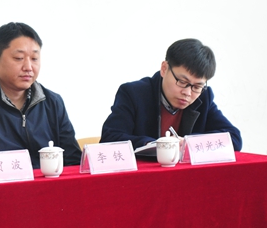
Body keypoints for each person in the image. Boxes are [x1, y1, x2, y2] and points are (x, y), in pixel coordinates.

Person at [0, 22, 82, 168]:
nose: (28, 67)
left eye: (34, 58)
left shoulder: (53, 102)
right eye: (19, 58)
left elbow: (73, 162)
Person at [100, 38, 242, 151]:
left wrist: (187, 143)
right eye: (182, 82)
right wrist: (156, 146)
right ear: (164, 69)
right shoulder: (134, 93)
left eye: (197, 86)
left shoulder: (204, 97)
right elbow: (110, 139)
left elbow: (234, 138)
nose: (187, 93)